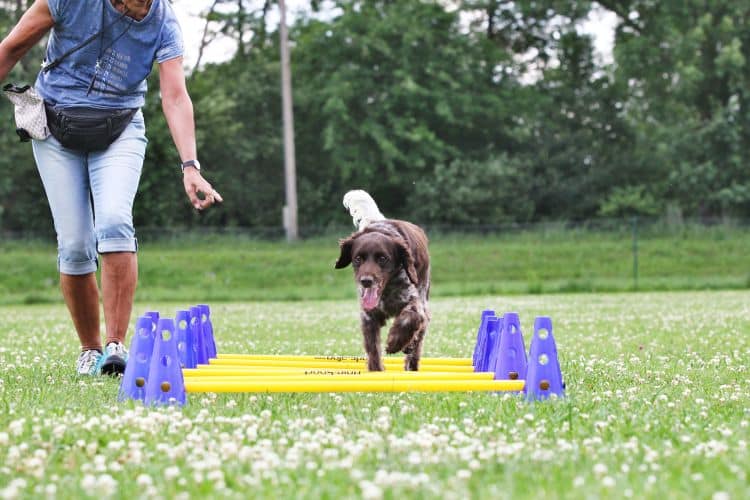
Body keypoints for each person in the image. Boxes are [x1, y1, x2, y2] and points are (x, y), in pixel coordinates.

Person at [0, 0, 223, 376]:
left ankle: (116, 347)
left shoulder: (164, 20)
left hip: (120, 128)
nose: (129, 7)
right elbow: (10, 49)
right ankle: (89, 350)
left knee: (116, 221)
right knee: (73, 244)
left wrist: (190, 166)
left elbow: (174, 96)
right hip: (55, 127)